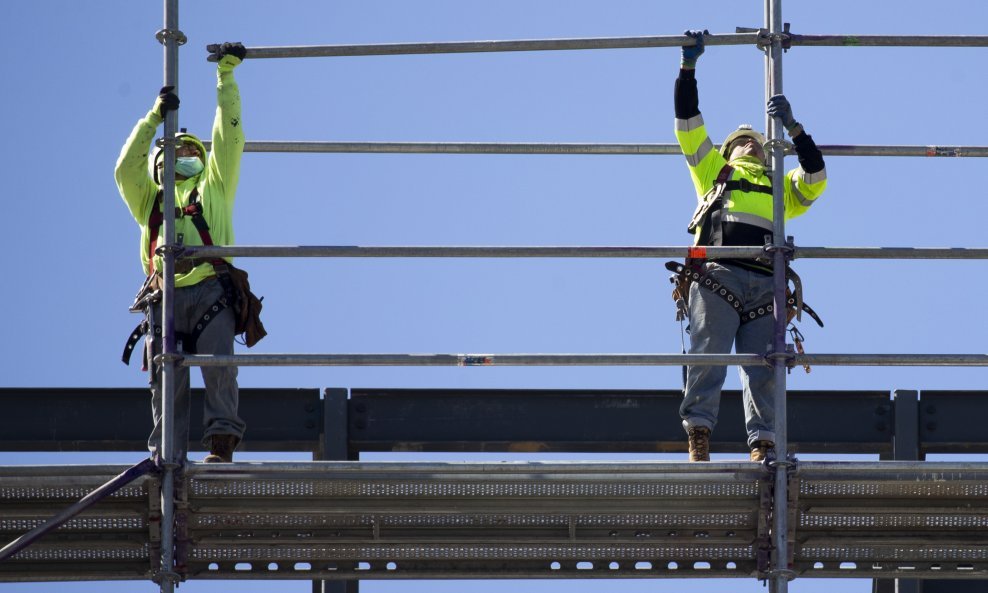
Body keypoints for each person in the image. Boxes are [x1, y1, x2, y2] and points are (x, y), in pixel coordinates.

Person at [673, 30, 827, 462]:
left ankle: (763, 442)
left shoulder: (780, 187)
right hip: (718, 275)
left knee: (766, 369)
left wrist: (796, 130)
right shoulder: (714, 172)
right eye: (741, 140)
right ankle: (699, 433)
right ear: (728, 149)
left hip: (765, 284)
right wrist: (688, 68)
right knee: (708, 355)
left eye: (756, 140)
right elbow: (688, 123)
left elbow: (815, 177)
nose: (750, 142)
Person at [115, 42, 248, 464]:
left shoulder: (214, 187)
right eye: (174, 152)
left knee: (218, 365)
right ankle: (167, 455)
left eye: (191, 150)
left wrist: (225, 79)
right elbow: (124, 169)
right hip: (165, 294)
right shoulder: (149, 200)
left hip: (211, 289)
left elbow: (228, 136)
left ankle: (221, 442)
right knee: (165, 379)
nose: (184, 155)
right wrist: (153, 118)